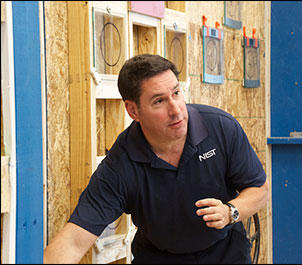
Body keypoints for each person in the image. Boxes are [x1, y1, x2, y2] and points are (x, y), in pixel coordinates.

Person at [43, 54, 269, 264]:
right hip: (159, 257)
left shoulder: (221, 127)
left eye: (176, 93)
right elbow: (73, 240)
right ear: (133, 111)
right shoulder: (120, 163)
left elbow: (260, 189)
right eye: (159, 101)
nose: (176, 110)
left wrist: (231, 212)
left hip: (226, 254)